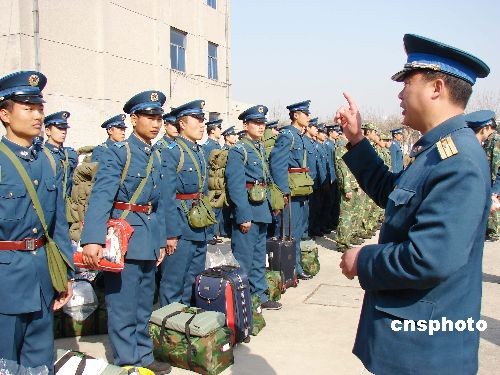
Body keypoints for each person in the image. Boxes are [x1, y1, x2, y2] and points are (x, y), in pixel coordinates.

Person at [336, 33, 491, 375]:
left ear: (436, 88)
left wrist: (364, 260)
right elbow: (394, 195)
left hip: (426, 350)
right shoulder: (434, 150)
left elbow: (429, 258)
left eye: (407, 82)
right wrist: (357, 140)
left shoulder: (457, 160)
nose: (399, 93)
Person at [80, 90, 170, 374]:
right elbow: (101, 197)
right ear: (134, 119)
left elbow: (159, 204)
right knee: (122, 305)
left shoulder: (156, 155)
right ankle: (127, 360)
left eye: (159, 117)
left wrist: (162, 241)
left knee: (144, 302)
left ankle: (144, 356)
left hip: (147, 235)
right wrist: (92, 240)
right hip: (123, 237)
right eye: (149, 116)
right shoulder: (118, 154)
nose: (155, 123)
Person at [0, 71, 74, 374]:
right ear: (5, 114)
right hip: (5, 279)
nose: (37, 116)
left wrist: (65, 274)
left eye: (40, 108)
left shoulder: (48, 161)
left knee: (40, 359)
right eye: (27, 108)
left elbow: (58, 225)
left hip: (43, 277)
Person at [225, 105, 282, 310]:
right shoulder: (238, 150)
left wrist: (272, 205)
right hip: (248, 211)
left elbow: (266, 180)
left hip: (262, 210)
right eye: (256, 123)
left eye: (262, 123)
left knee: (259, 258)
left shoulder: (258, 148)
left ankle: (260, 295)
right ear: (245, 125)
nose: (260, 127)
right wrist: (243, 215)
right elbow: (236, 185)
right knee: (244, 260)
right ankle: (243, 302)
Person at [159, 100, 211, 307]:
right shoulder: (171, 152)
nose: (201, 125)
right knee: (174, 281)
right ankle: (170, 329)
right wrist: (170, 234)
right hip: (180, 226)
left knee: (193, 278)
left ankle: (186, 325)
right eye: (196, 120)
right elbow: (166, 197)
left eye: (202, 120)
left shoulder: (199, 151)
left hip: (199, 225)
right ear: (182, 123)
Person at [269, 100, 314, 280]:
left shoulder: (300, 136)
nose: (308, 117)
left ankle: (294, 266)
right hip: (291, 191)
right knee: (288, 231)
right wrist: (283, 192)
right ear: (296, 115)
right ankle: (286, 269)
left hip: (301, 189)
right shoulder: (288, 135)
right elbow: (277, 165)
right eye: (306, 114)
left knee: (299, 230)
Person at [465, 110, 499, 241]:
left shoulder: (494, 141)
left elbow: (496, 167)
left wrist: (494, 191)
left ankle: (493, 231)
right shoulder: (475, 144)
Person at [43, 111, 78, 201]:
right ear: (48, 131)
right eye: (59, 128)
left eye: (65, 129)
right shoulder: (40, 154)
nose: (63, 132)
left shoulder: (69, 154)